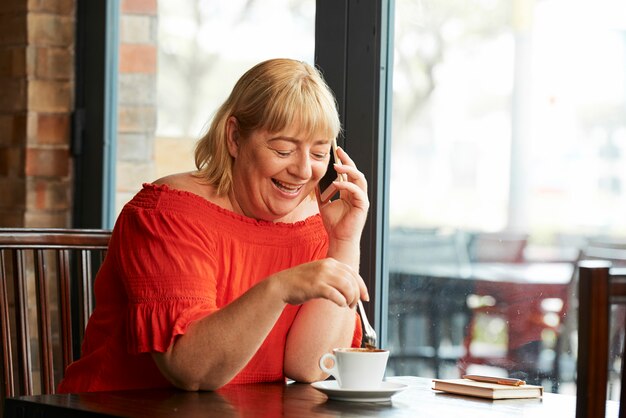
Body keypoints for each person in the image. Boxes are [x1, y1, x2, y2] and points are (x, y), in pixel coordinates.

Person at [58, 58, 370, 393]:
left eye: (320, 154)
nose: (303, 171)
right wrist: (279, 288)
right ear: (235, 137)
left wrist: (343, 243)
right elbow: (191, 370)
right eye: (283, 150)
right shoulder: (168, 214)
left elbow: (311, 366)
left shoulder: (316, 223)